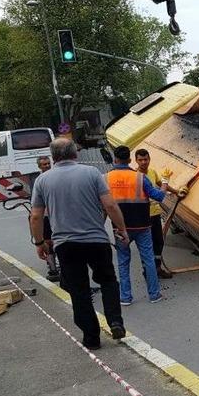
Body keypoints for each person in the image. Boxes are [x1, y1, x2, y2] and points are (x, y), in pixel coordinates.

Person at [29, 138, 127, 350]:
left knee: (79, 290)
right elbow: (109, 204)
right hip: (96, 240)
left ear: (53, 157)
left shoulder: (42, 181)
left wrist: (39, 242)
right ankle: (115, 321)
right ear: (75, 154)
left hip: (66, 245)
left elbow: (36, 216)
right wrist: (121, 229)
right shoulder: (92, 173)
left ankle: (92, 338)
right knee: (108, 281)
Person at [106, 145, 175, 305]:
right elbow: (158, 196)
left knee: (123, 262)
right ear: (130, 160)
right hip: (142, 226)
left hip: (120, 228)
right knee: (148, 260)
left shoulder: (105, 178)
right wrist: (164, 182)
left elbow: (104, 205)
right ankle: (154, 295)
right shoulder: (140, 177)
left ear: (115, 159)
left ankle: (125, 297)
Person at [134, 148, 176, 279]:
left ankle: (157, 268)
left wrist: (176, 191)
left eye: (145, 159)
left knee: (159, 242)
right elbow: (159, 193)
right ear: (136, 161)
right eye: (140, 160)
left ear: (149, 159)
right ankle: (147, 270)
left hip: (155, 214)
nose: (143, 162)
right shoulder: (136, 177)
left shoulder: (152, 172)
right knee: (147, 244)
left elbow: (159, 183)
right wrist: (165, 181)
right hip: (143, 216)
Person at [36, 156, 60, 282]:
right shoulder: (39, 181)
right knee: (48, 242)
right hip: (46, 216)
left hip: (58, 214)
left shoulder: (57, 177)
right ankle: (52, 267)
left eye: (48, 163)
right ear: (39, 167)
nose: (46, 166)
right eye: (44, 164)